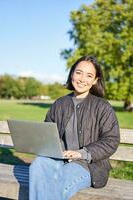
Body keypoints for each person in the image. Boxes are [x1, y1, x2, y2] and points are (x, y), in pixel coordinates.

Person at [29, 55, 120, 200]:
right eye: (79, 73)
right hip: (58, 159)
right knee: (37, 164)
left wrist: (81, 153)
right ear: (72, 74)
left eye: (89, 75)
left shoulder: (103, 107)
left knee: (56, 185)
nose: (82, 79)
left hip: (87, 165)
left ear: (95, 80)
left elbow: (111, 140)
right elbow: (48, 134)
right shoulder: (59, 104)